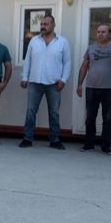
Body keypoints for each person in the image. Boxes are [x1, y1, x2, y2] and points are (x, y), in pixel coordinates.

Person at [19, 14, 72, 150]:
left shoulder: (62, 42)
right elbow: (28, 60)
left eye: (46, 24)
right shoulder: (34, 41)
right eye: (41, 24)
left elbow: (67, 63)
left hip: (54, 84)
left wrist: (64, 80)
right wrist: (25, 77)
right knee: (31, 111)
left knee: (54, 112)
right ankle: (27, 138)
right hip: (35, 82)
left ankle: (55, 140)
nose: (43, 26)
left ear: (53, 25)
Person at [76, 24, 111, 154]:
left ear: (109, 33)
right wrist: (79, 84)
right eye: (98, 31)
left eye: (103, 32)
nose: (100, 34)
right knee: (90, 117)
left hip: (109, 89)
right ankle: (89, 145)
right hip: (91, 87)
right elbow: (84, 67)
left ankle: (106, 147)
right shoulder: (91, 48)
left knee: (108, 118)